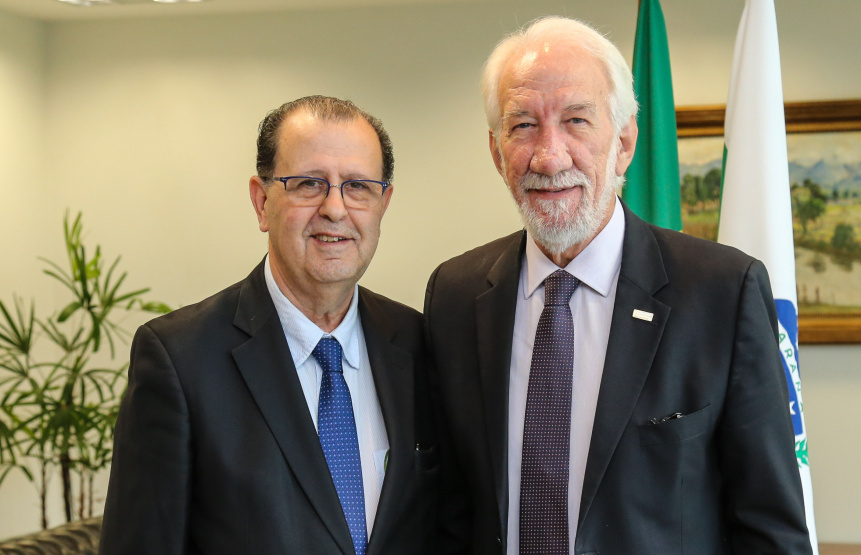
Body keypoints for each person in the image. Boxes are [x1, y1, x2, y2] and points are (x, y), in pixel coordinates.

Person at [425, 16, 811, 554]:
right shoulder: (455, 294)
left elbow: (772, 529)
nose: (549, 156)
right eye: (523, 126)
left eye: (577, 121)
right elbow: (449, 508)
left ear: (624, 142)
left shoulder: (723, 291)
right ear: (496, 152)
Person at [100, 96, 437, 555]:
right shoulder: (179, 360)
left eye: (357, 186)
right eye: (308, 184)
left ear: (383, 204)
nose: (335, 209)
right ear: (261, 202)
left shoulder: (419, 345)